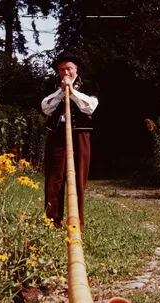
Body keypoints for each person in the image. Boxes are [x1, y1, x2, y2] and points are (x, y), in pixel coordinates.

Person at [41, 50, 99, 232]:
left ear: (76, 69)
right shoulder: (53, 86)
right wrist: (61, 91)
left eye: (68, 69)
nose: (65, 73)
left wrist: (72, 91)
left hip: (80, 135)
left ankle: (76, 224)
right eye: (61, 70)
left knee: (78, 179)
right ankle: (53, 221)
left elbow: (89, 108)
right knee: (53, 179)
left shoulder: (89, 85)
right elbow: (45, 108)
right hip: (57, 135)